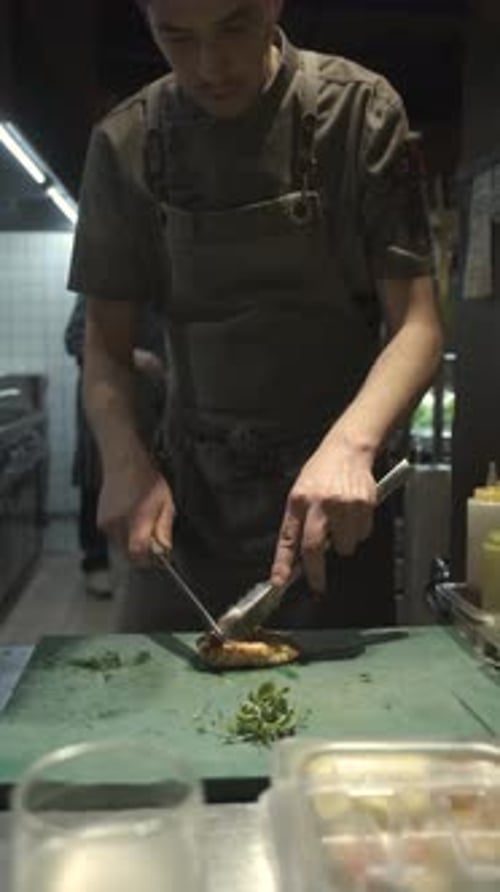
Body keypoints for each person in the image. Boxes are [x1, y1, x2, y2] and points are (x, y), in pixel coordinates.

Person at [68, 0, 443, 632]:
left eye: (234, 27)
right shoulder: (125, 142)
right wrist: (124, 459)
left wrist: (351, 446)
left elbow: (419, 326)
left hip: (333, 508)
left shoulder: (360, 113)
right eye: (177, 37)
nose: (210, 67)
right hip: (186, 510)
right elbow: (105, 347)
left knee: (338, 694)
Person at [64, 293, 167, 599]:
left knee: (150, 482)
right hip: (105, 405)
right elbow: (74, 338)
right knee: (95, 482)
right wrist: (137, 357)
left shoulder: (163, 297)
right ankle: (95, 562)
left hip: (150, 406)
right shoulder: (104, 287)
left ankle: (149, 557)